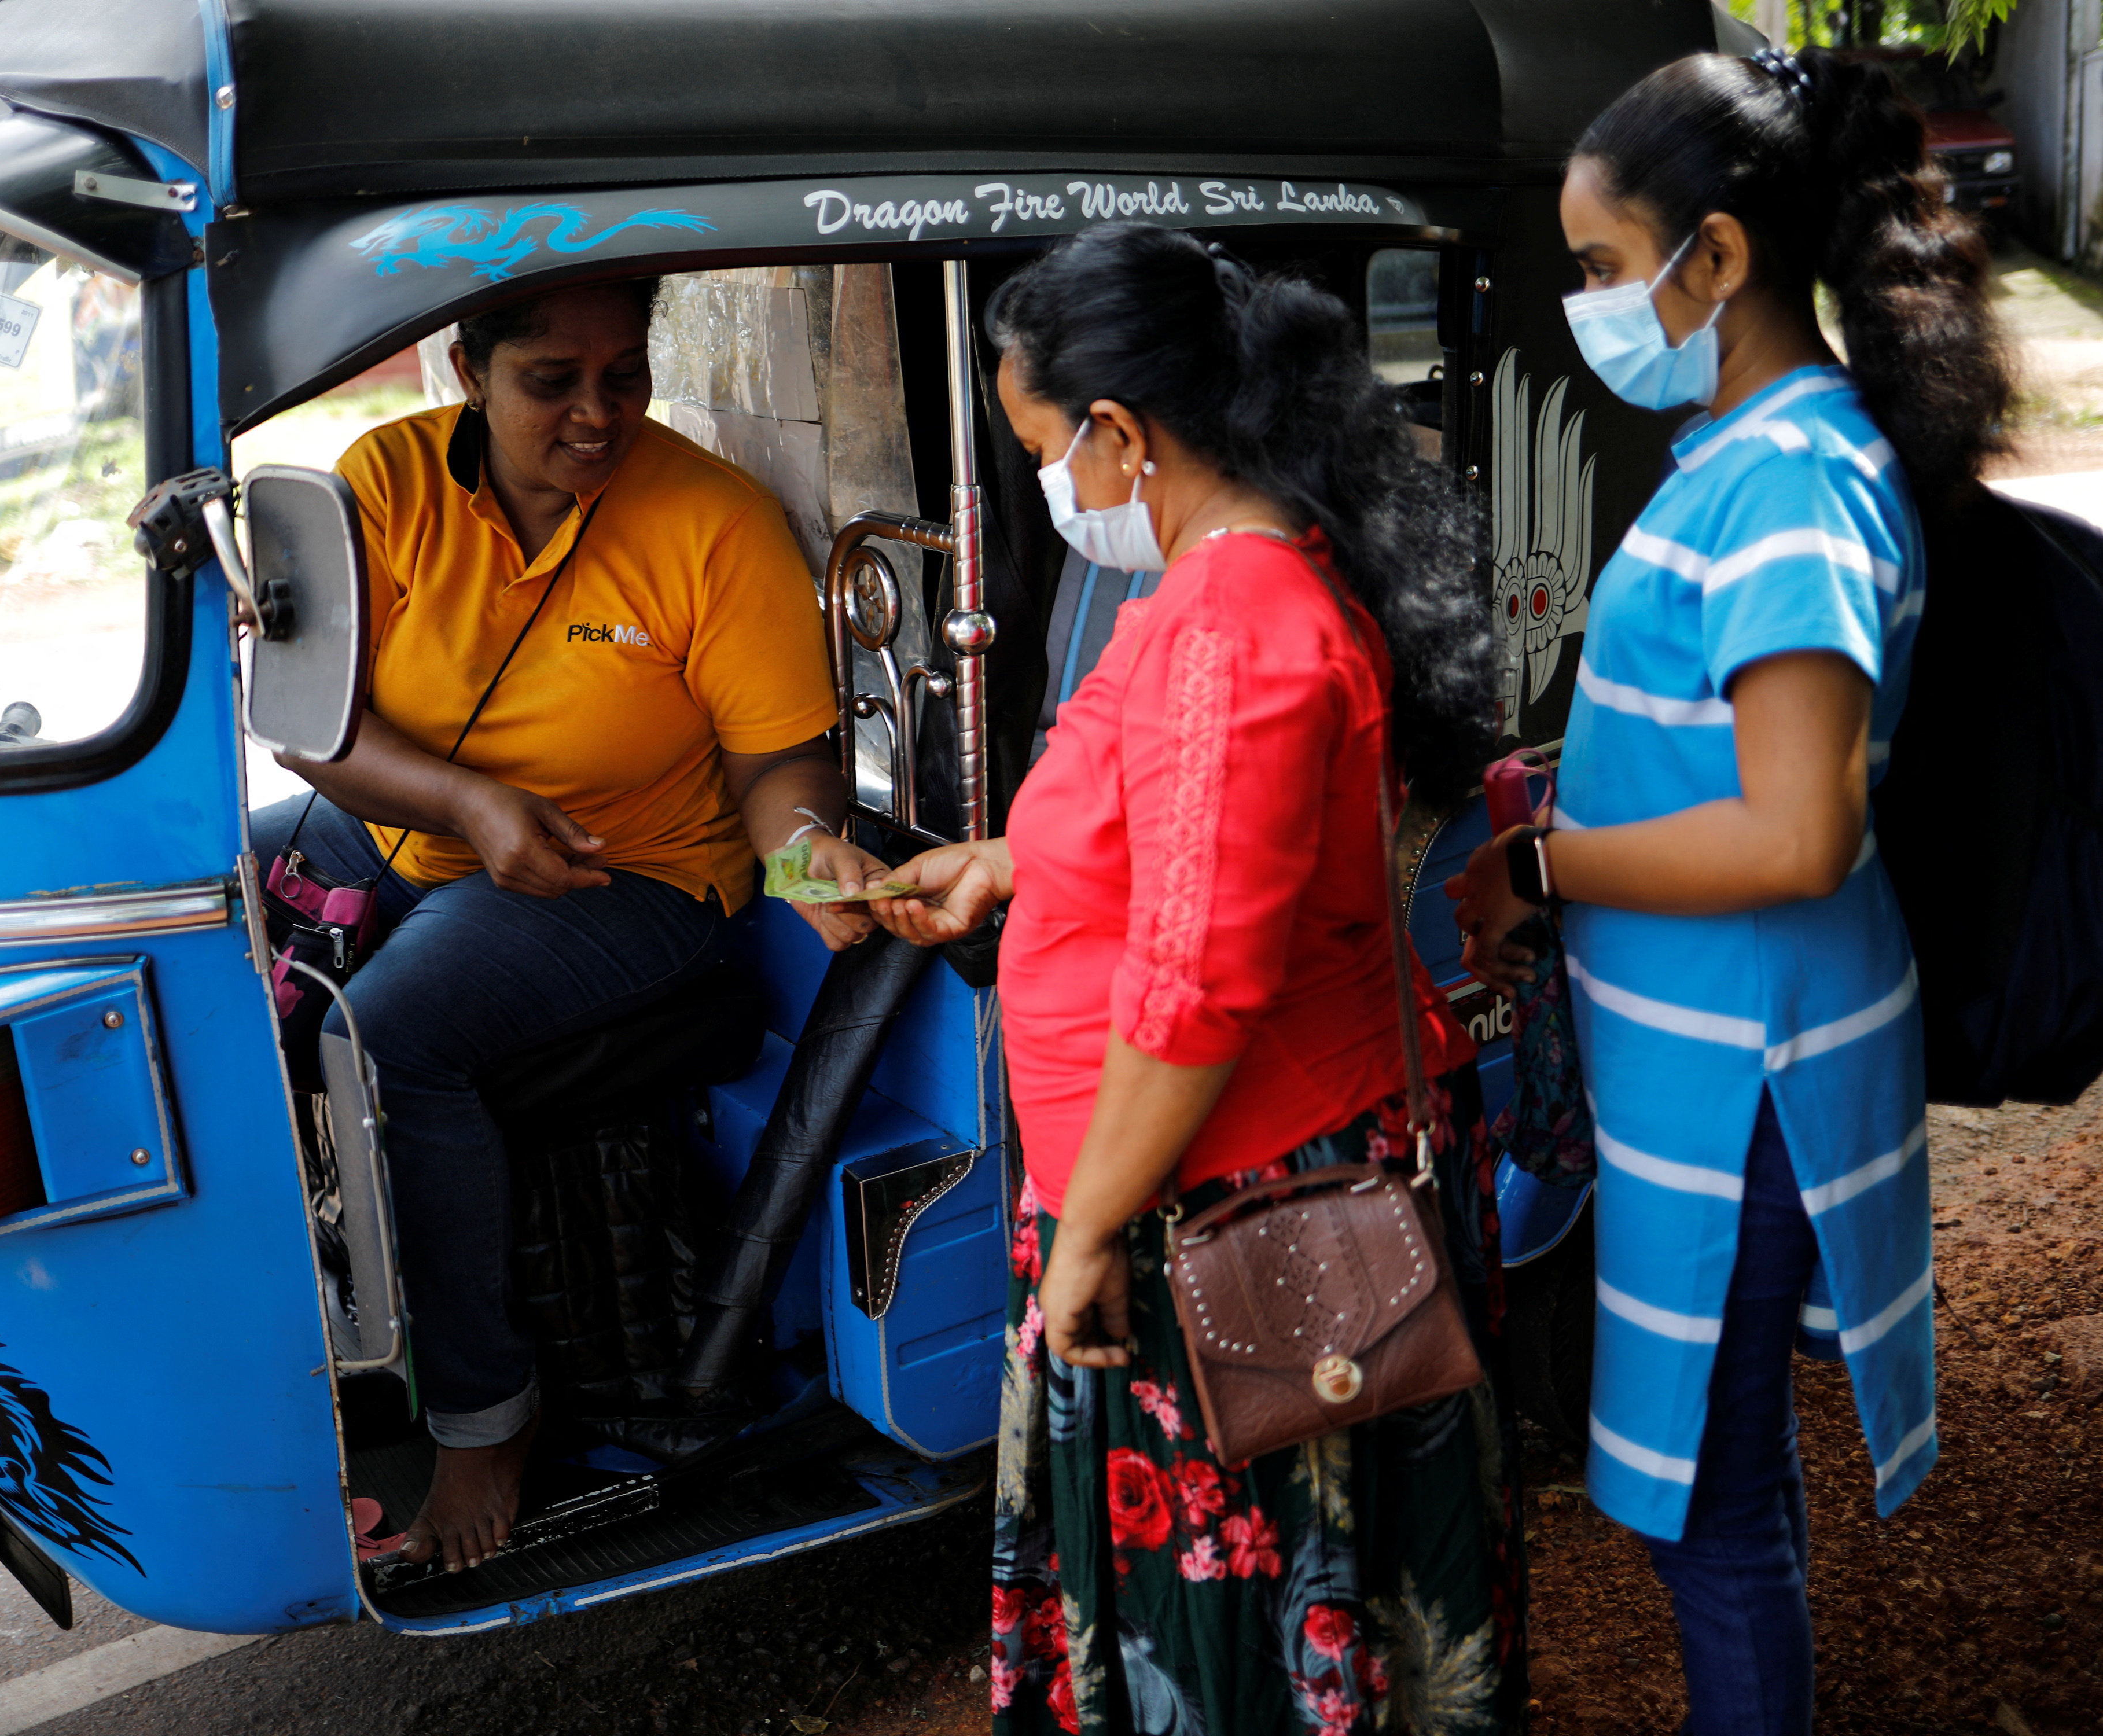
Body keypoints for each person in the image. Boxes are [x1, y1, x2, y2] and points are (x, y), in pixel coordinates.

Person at [866, 224, 1519, 1735]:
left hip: (1243, 1205)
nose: (1054, 492)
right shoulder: (1207, 596)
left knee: (1244, 1614)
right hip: (1188, 1178)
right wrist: (1003, 865)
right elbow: (1179, 829)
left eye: (1045, 453)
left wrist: (1090, 1229)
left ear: (1117, 433)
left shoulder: (1236, 630)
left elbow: (1198, 983)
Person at [1447, 47, 2009, 1734]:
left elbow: (1795, 832)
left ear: (1719, 259)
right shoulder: (1746, 449)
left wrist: (1547, 865)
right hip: (1702, 1058)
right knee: (1718, 1467)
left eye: (1608, 268)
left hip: (1748, 1074)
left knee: (1705, 1494)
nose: (1590, 305)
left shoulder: (1793, 486)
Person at [249, 275, 895, 1574]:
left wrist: (810, 866)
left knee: (386, 1039)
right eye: (553, 380)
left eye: (626, 374)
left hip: (637, 878)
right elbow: (305, 724)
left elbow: (779, 772)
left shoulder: (711, 522)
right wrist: (465, 803)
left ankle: (486, 1417)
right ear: (466, 371)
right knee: (191, 922)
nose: (598, 413)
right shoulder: (379, 483)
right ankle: (290, 1322)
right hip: (414, 830)